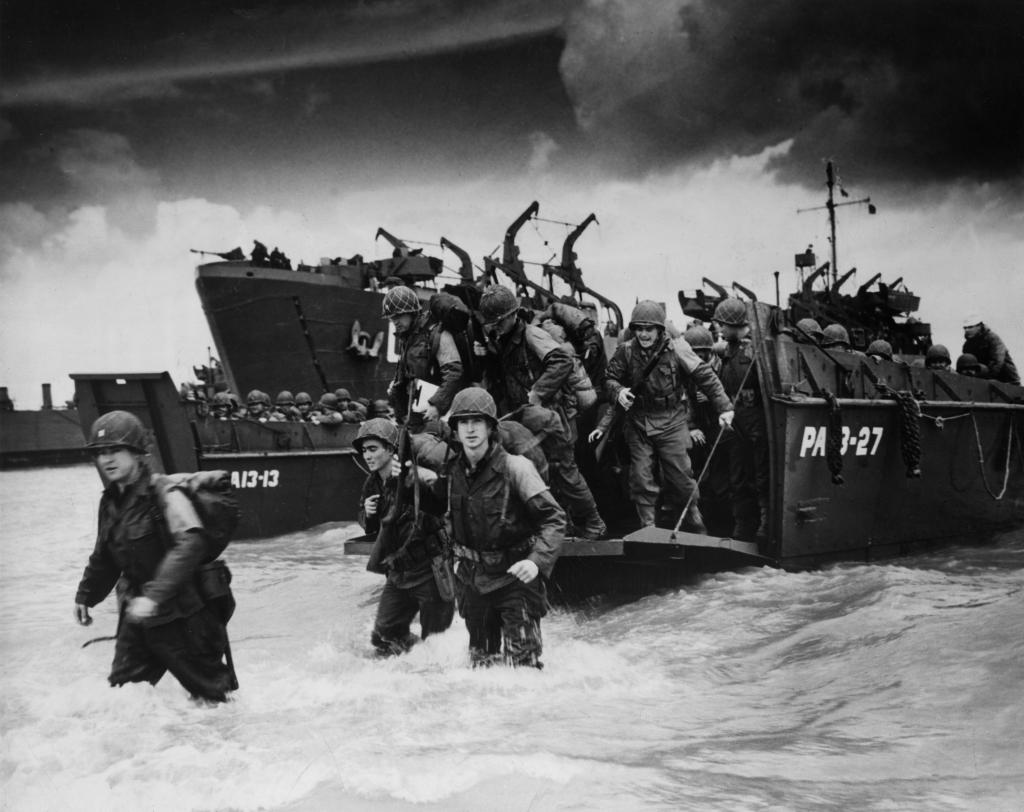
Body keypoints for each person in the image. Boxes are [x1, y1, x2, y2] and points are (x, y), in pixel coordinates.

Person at [73, 411, 235, 703]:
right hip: (137, 617)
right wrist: (86, 596)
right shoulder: (110, 502)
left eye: (115, 450)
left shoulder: (164, 493)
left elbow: (191, 543)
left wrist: (155, 597)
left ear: (136, 454)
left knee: (212, 699)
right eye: (100, 453)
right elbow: (104, 556)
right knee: (124, 696)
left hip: (185, 616)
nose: (107, 459)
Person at [421, 388, 565, 668]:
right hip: (473, 583)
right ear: (456, 429)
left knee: (524, 669)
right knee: (481, 665)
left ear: (490, 427)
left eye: (478, 421)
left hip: (515, 580)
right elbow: (435, 508)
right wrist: (402, 477)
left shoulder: (516, 467)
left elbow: (554, 519)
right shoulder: (452, 472)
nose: (471, 429)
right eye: (464, 422)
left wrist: (536, 561)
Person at [478, 284, 607, 540]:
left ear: (513, 315)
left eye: (500, 321)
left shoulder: (532, 335)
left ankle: (594, 523)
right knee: (541, 472)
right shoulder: (501, 340)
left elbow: (561, 361)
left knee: (565, 473)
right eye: (493, 322)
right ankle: (561, 524)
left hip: (553, 416)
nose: (496, 326)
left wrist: (538, 392)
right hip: (527, 418)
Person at [601, 301, 733, 531]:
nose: (643, 333)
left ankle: (694, 519)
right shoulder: (626, 350)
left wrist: (725, 408)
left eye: (648, 328)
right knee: (641, 479)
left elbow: (705, 375)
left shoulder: (677, 348)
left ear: (660, 330)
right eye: (639, 328)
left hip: (671, 420)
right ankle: (648, 527)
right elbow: (609, 379)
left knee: (681, 479)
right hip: (639, 421)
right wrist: (618, 391)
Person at [356, 419, 454, 656]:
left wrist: (411, 482)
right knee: (383, 636)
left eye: (373, 449)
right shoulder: (373, 482)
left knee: (438, 643)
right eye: (364, 450)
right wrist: (367, 515)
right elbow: (372, 526)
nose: (367, 456)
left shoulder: (418, 476)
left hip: (429, 570)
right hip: (398, 573)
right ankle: (412, 663)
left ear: (391, 450)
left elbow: (440, 506)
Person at [714, 297, 769, 542]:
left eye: (722, 324)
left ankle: (765, 522)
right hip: (734, 419)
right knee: (737, 476)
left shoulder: (758, 349)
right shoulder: (727, 350)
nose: (719, 329)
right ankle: (743, 524)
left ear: (734, 324)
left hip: (755, 417)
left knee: (761, 473)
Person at [382, 286, 466, 423]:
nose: (394, 321)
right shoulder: (407, 338)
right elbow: (404, 377)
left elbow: (454, 372)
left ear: (412, 312)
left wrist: (437, 405)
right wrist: (398, 410)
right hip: (417, 411)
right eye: (391, 317)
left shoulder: (435, 333)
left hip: (440, 414)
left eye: (398, 315)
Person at [962, 314, 1019, 385]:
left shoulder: (993, 339)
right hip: (983, 381)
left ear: (979, 326)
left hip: (1007, 381)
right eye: (965, 328)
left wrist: (986, 379)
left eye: (970, 327)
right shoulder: (967, 346)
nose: (967, 330)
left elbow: (997, 362)